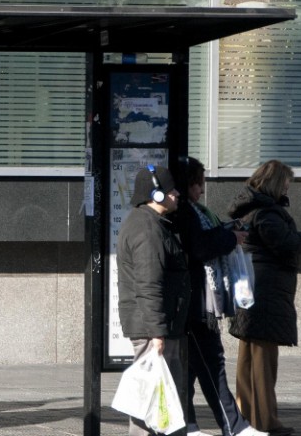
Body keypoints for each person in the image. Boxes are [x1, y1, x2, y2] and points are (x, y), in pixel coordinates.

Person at [227, 160, 301, 436]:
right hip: (265, 290)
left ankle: (247, 418)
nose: (289, 187)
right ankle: (266, 422)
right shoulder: (266, 212)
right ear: (276, 182)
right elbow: (286, 242)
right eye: (287, 182)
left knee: (249, 357)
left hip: (252, 287)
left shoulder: (250, 208)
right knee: (264, 359)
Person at [178, 157, 267, 436]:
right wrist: (230, 239)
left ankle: (189, 425)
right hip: (198, 299)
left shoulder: (193, 210)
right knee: (212, 363)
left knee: (193, 367)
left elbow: (206, 237)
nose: (201, 190)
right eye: (198, 185)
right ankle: (235, 427)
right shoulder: (186, 212)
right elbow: (200, 246)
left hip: (199, 298)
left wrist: (229, 231)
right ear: (188, 184)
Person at [116, 165, 190, 436]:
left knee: (157, 395)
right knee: (152, 396)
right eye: (171, 190)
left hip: (155, 325)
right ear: (156, 195)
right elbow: (148, 284)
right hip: (153, 329)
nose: (177, 194)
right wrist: (157, 333)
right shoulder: (147, 230)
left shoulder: (149, 223)